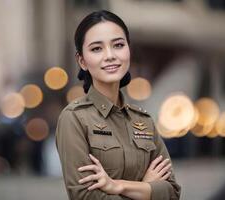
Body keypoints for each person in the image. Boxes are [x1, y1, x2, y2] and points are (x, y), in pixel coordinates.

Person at [55, 10, 181, 200]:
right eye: (97, 48)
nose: (110, 56)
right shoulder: (74, 118)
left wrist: (117, 185)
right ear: (82, 61)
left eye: (118, 45)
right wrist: (145, 188)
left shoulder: (143, 121)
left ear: (128, 50)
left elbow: (172, 192)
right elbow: (84, 196)